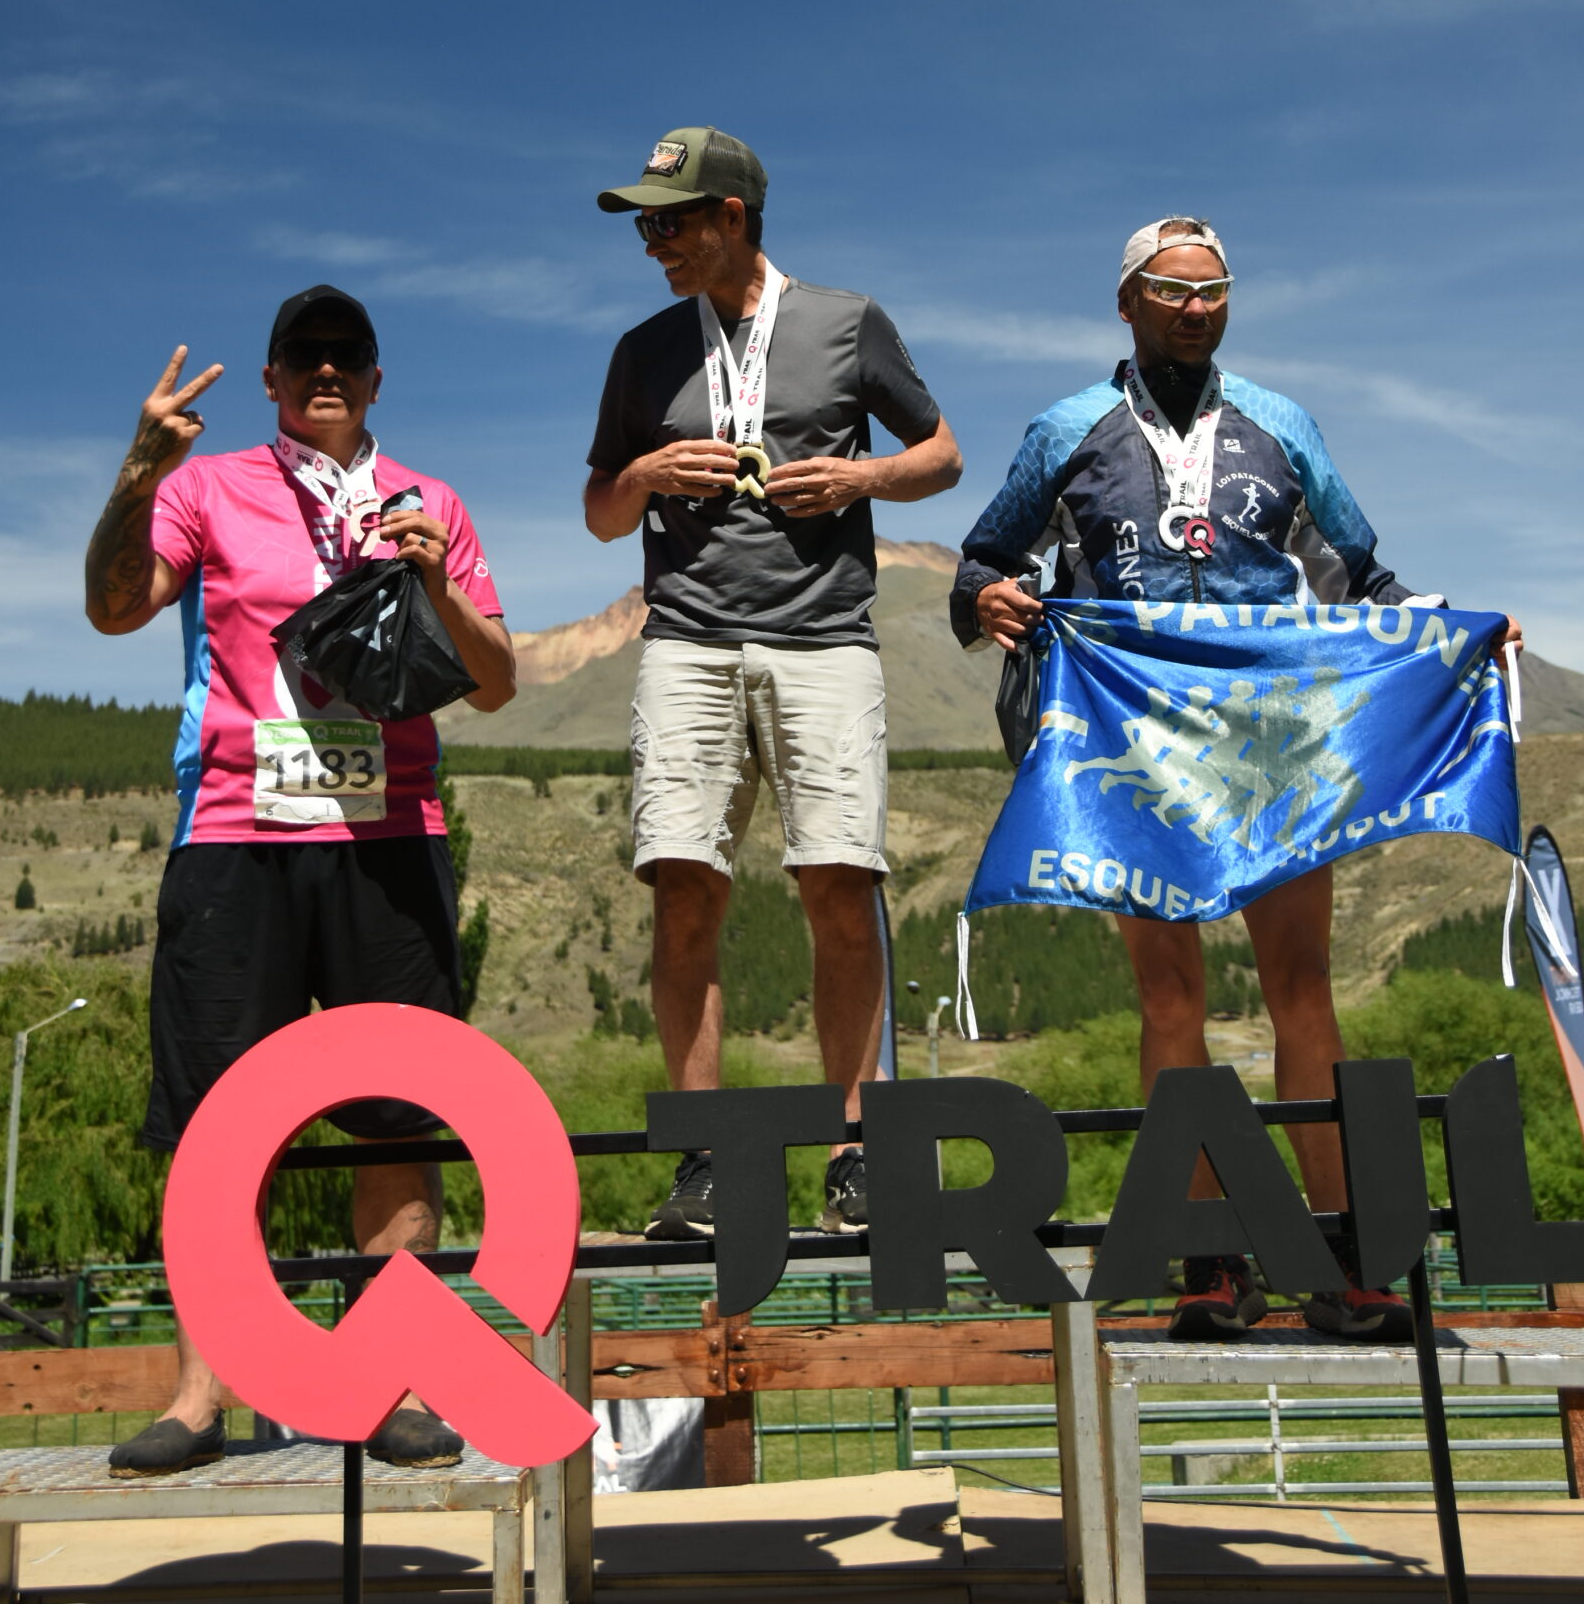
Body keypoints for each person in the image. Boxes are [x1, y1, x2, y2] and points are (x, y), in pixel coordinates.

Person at [950, 216, 1523, 1344]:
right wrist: (984, 598)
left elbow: (1363, 576)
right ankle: (1208, 1258)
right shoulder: (1066, 428)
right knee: (1170, 1000)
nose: (1194, 308)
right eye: (1171, 290)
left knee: (1301, 988)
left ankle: (1344, 1254)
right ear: (1127, 301)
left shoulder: (1282, 424)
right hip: (1135, 734)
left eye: (1213, 290)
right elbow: (982, 558)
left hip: (1273, 737)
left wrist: (1459, 634)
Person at [84, 285, 515, 1474]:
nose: (326, 369)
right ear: (272, 379)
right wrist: (137, 471)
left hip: (390, 837)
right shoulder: (206, 487)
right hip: (236, 833)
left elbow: (495, 684)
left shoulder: (431, 500)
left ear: (376, 378)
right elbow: (113, 610)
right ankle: (200, 1395)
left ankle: (395, 1382)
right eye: (303, 354)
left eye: (347, 353)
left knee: (397, 1113)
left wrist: (436, 583)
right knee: (220, 1125)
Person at [585, 127, 962, 1239]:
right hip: (687, 643)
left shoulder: (847, 322)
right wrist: (646, 471)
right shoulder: (643, 349)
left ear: (732, 217)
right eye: (645, 226)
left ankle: (855, 1157)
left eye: (669, 221)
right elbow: (601, 511)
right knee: (683, 889)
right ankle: (705, 1164)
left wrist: (858, 477)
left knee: (839, 888)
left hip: (824, 640)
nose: (653, 243)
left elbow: (940, 455)